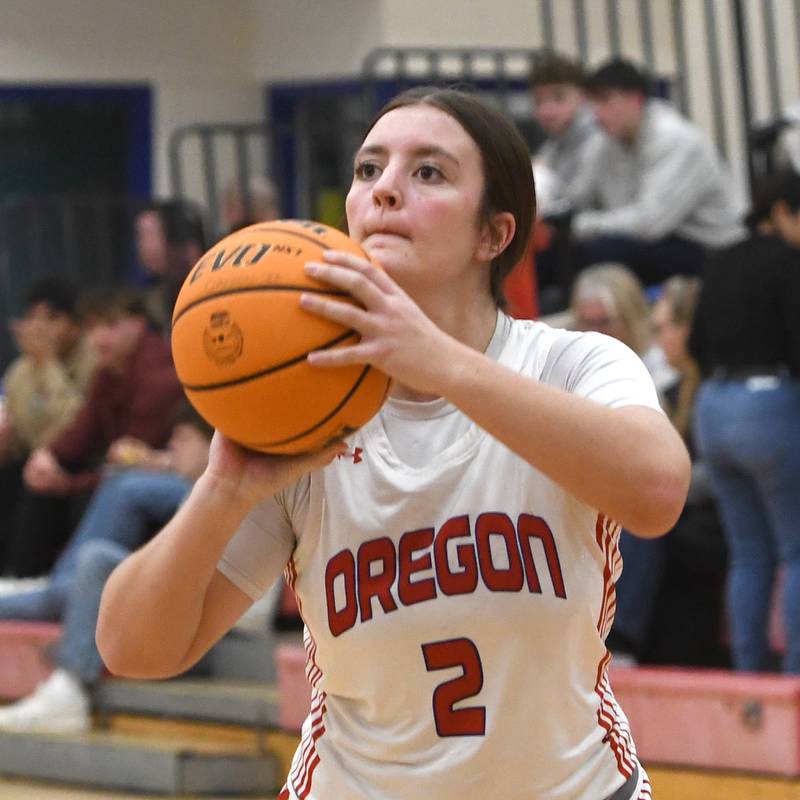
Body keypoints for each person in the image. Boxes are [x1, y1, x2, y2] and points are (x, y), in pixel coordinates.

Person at [97, 87, 689, 800]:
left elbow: (657, 494)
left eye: (428, 172)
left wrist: (437, 362)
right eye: (368, 169)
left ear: (494, 235)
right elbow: (133, 650)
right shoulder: (304, 409)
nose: (384, 190)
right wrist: (223, 489)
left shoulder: (572, 364)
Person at [0, 405, 214, 732]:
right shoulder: (201, 496)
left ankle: (71, 687)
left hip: (202, 629)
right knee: (74, 586)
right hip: (178, 611)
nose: (172, 447)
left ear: (213, 446)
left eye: (183, 438)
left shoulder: (230, 496)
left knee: (95, 562)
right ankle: (45, 596)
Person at [690, 171, 800, 674]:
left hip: (713, 408)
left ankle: (749, 679)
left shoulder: (719, 260)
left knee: (749, 553)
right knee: (795, 551)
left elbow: (695, 344)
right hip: (769, 406)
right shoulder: (790, 261)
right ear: (781, 212)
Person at [5, 287, 184, 578]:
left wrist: (67, 484)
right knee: (33, 477)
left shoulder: (158, 377)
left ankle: (60, 585)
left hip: (163, 474)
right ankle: (26, 579)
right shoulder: (108, 371)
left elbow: (131, 463)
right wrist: (48, 456)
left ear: (138, 323)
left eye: (109, 325)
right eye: (92, 327)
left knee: (104, 491)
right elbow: (80, 431)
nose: (99, 337)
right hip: (121, 470)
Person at [568, 58, 744, 286]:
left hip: (711, 251)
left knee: (603, 250)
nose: (596, 113)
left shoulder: (676, 139)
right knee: (563, 249)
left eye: (605, 100)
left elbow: (649, 223)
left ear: (636, 99)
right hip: (658, 242)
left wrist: (580, 225)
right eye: (592, 103)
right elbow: (576, 197)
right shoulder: (604, 143)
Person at [0, 278, 96, 565]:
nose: (38, 328)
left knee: (39, 480)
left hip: (83, 460)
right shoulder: (20, 372)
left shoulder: (94, 360)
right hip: (37, 459)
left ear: (76, 326)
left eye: (51, 318)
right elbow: (21, 438)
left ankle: (24, 574)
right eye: (32, 318)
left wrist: (48, 365)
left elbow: (76, 425)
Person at [134, 200, 206, 332]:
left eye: (148, 234)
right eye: (140, 236)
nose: (141, 245)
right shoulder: (150, 297)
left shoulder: (205, 288)